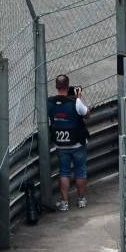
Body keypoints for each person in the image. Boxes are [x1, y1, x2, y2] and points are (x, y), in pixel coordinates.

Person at [48, 74, 90, 211]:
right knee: (80, 171)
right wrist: (79, 98)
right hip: (78, 143)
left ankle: (64, 202)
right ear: (68, 86)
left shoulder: (49, 102)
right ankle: (81, 200)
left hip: (60, 144)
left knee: (64, 172)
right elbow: (87, 115)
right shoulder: (75, 102)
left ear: (56, 86)